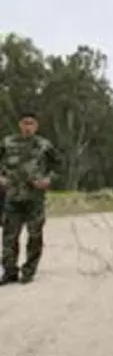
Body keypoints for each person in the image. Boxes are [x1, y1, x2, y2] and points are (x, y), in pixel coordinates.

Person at [0, 110, 59, 285]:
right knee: (9, 237)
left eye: (31, 123)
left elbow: (58, 165)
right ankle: (10, 272)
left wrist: (48, 180)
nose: (28, 127)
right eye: (25, 123)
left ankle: (28, 271)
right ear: (19, 125)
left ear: (36, 126)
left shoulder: (44, 145)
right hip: (12, 197)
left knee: (34, 236)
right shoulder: (7, 143)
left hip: (35, 198)